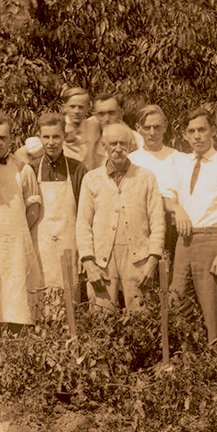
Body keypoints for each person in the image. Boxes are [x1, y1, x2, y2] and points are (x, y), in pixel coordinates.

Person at [164, 108, 217, 350]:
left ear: (213, 131)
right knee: (178, 303)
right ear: (185, 135)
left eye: (202, 130)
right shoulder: (179, 164)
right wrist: (177, 211)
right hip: (184, 244)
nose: (197, 136)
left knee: (214, 312)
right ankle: (188, 365)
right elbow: (167, 196)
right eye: (192, 131)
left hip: (213, 243)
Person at [0, 115, 42, 396]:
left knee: (17, 306)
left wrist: (16, 233)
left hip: (16, 246)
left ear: (11, 138)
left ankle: (17, 373)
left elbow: (34, 207)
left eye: (4, 137)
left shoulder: (23, 169)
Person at [76, 122, 164, 310]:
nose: (118, 149)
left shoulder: (146, 177)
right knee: (100, 318)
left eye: (123, 144)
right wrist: (89, 264)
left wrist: (152, 261)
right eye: (113, 143)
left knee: (141, 319)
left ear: (130, 146)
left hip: (138, 259)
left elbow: (157, 222)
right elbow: (83, 224)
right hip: (102, 262)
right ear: (103, 146)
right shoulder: (91, 179)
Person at [31, 112, 88, 292]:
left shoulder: (77, 169)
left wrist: (83, 251)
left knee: (69, 301)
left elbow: (84, 214)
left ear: (64, 136)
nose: (51, 142)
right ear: (39, 137)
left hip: (68, 245)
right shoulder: (31, 169)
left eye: (56, 136)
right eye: (46, 137)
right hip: (40, 246)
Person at [128, 104, 186, 271]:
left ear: (165, 126)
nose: (152, 133)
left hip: (172, 230)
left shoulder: (178, 158)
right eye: (147, 128)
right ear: (138, 128)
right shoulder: (131, 161)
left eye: (157, 127)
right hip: (141, 231)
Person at [62, 87, 104, 170]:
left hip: (90, 178)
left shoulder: (94, 125)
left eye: (81, 107)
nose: (76, 111)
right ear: (64, 107)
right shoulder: (57, 128)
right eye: (72, 107)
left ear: (88, 108)